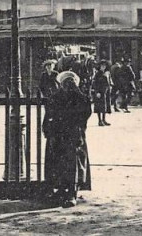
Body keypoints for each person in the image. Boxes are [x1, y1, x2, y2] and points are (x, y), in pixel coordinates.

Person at [43, 71, 92, 208]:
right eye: (67, 82)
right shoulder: (57, 97)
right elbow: (49, 115)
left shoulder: (79, 98)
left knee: (71, 162)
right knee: (61, 162)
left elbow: (85, 113)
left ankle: (71, 192)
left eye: (71, 82)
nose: (69, 85)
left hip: (71, 134)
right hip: (63, 134)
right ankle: (62, 190)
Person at [91, 61, 112, 126]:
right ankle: (99, 121)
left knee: (104, 107)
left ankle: (104, 120)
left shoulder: (106, 73)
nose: (103, 67)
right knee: (99, 107)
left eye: (104, 66)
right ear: (99, 67)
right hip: (99, 92)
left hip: (105, 92)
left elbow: (109, 82)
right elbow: (94, 84)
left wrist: (110, 87)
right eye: (102, 66)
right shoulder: (97, 74)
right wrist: (97, 92)